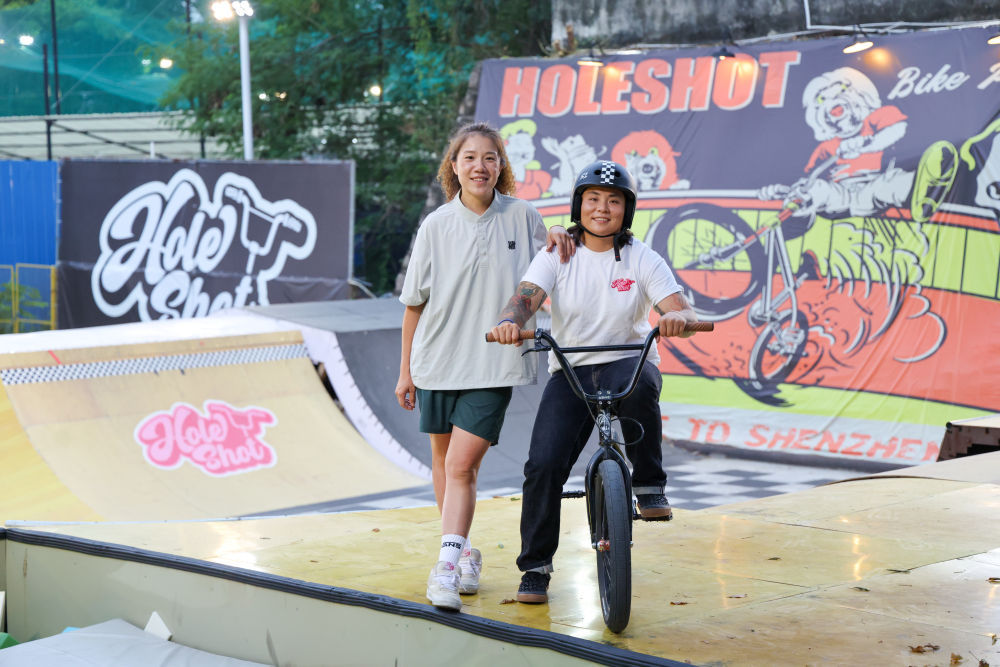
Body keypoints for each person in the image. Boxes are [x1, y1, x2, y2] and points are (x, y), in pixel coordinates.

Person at [490, 160, 698, 604]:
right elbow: (524, 299)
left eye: (613, 201)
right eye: (593, 199)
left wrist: (678, 318)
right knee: (542, 465)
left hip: (627, 360)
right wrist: (509, 322)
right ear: (578, 205)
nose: (602, 209)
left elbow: (678, 307)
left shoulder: (642, 256)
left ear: (627, 210)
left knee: (642, 386)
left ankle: (648, 485)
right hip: (572, 369)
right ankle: (535, 568)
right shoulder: (557, 253)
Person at [395, 121, 574, 612]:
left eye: (490, 157)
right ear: (453, 166)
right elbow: (413, 305)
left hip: (493, 365)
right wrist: (405, 371)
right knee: (443, 463)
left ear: (501, 166)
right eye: (470, 157)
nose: (480, 166)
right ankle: (465, 550)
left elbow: (549, 255)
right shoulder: (435, 225)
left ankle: (445, 567)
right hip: (436, 361)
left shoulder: (522, 215)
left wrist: (558, 230)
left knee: (461, 465)